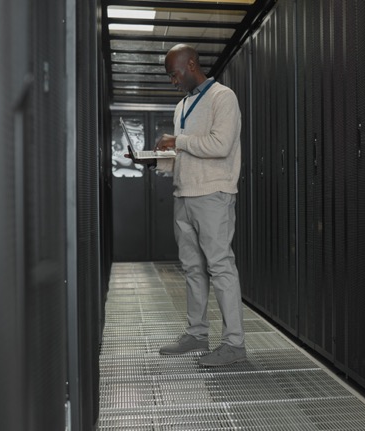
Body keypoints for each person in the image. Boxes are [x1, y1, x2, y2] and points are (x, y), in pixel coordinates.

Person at [132, 44, 246, 367]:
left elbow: (220, 145)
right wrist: (155, 161)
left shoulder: (223, 98)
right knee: (193, 267)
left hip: (213, 195)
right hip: (184, 195)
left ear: (192, 64)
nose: (172, 81)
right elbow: (184, 155)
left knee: (220, 265)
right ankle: (197, 333)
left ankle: (234, 344)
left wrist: (176, 141)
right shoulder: (181, 105)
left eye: (174, 74)